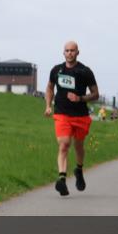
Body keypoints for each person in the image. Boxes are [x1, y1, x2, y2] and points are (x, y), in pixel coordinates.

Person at [44, 41, 99, 196]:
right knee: (64, 144)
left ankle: (79, 170)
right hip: (62, 113)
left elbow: (95, 94)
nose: (69, 53)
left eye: (72, 51)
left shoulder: (85, 71)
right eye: (67, 50)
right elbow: (49, 87)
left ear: (77, 52)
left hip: (80, 115)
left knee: (79, 147)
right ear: (63, 53)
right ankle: (61, 179)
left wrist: (80, 98)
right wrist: (48, 105)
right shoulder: (56, 70)